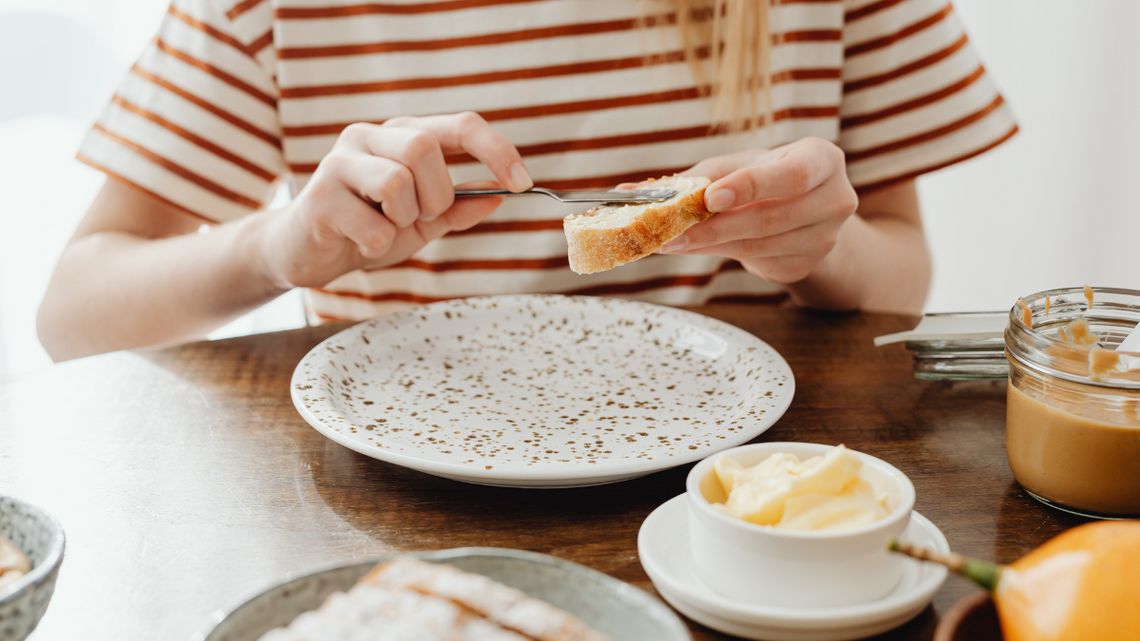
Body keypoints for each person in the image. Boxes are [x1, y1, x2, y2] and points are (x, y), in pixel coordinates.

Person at [37, 0, 1016, 361]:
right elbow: (72, 311)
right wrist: (276, 245)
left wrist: (822, 248)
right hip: (387, 494)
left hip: (729, 491)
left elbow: (903, 274)